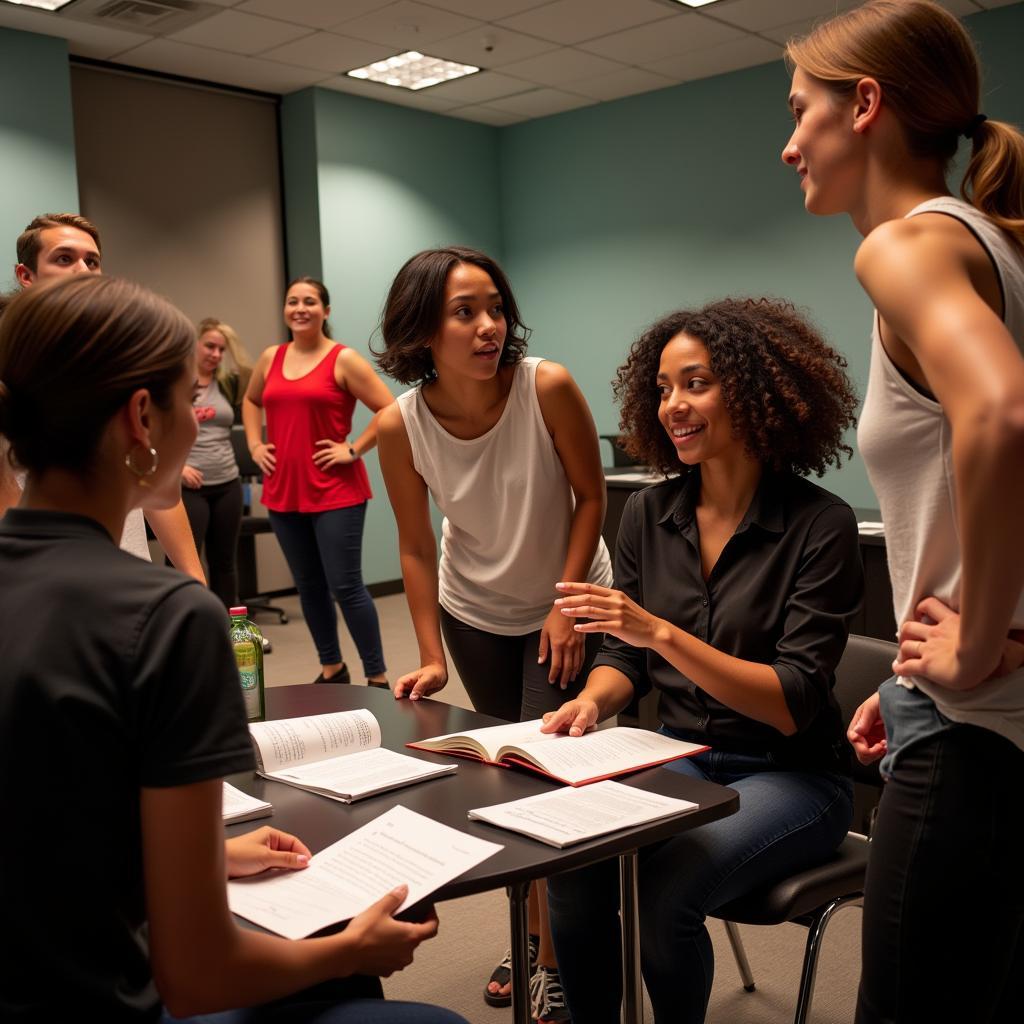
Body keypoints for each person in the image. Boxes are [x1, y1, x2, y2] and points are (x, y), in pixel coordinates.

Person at [0, 274, 468, 1024]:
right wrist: (358, 948)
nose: (200, 416)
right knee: (417, 1014)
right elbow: (199, 977)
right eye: (191, 398)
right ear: (141, 418)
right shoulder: (165, 617)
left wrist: (214, 857)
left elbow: (51, 820)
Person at [782, 3, 1024, 1020]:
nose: (788, 142)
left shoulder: (903, 245)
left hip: (974, 723)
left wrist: (971, 643)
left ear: (865, 105)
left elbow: (1003, 414)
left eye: (801, 110)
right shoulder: (992, 246)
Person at [540, 298, 863, 1024]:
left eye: (696, 384)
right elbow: (624, 653)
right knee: (575, 859)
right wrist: (594, 699)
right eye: (661, 388)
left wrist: (661, 633)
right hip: (682, 757)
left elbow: (791, 699)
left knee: (667, 891)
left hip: (794, 777)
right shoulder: (649, 516)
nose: (672, 407)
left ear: (753, 393)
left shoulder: (821, 525)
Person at [374, 247, 613, 1023]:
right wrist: (431, 653)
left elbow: (591, 495)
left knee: (545, 779)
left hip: (565, 599)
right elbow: (414, 544)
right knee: (505, 779)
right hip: (473, 611)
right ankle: (535, 933)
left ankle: (548, 954)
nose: (488, 327)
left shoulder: (546, 385)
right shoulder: (398, 423)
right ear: (421, 331)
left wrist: (565, 602)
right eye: (464, 312)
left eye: (494, 308)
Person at [0, 212, 204, 582]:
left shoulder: (121, 358)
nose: (83, 269)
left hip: (124, 566)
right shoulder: (10, 365)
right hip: (41, 577)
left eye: (91, 260)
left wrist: (194, 578)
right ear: (26, 276)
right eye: (64, 258)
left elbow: (150, 470)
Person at [243, 277, 394, 688]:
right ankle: (332, 669)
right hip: (283, 491)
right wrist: (255, 443)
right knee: (308, 587)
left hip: (336, 490)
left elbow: (389, 410)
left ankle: (377, 677)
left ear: (325, 311)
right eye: (292, 301)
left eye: (310, 301)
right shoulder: (271, 357)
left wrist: (354, 448)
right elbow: (252, 400)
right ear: (285, 310)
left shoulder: (343, 360)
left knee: (346, 586)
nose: (300, 308)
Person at [179, 317, 251, 608]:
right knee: (185, 563)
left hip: (227, 482)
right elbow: (154, 431)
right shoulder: (176, 382)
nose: (216, 354)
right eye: (210, 346)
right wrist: (178, 469)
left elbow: (251, 372)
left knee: (224, 563)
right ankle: (185, 631)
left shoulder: (228, 383)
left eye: (222, 349)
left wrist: (231, 341)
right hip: (189, 485)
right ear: (194, 343)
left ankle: (230, 631)